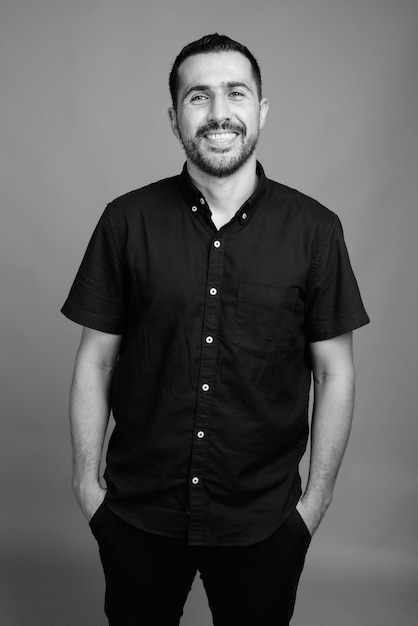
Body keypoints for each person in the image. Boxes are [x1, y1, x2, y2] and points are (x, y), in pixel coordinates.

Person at [62, 33, 370, 626]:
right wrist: (86, 487)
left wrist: (315, 502)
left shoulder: (315, 230)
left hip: (265, 520)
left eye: (236, 93)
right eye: (198, 97)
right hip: (137, 516)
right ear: (175, 116)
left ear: (261, 110)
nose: (219, 112)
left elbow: (336, 371)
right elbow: (95, 360)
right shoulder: (125, 221)